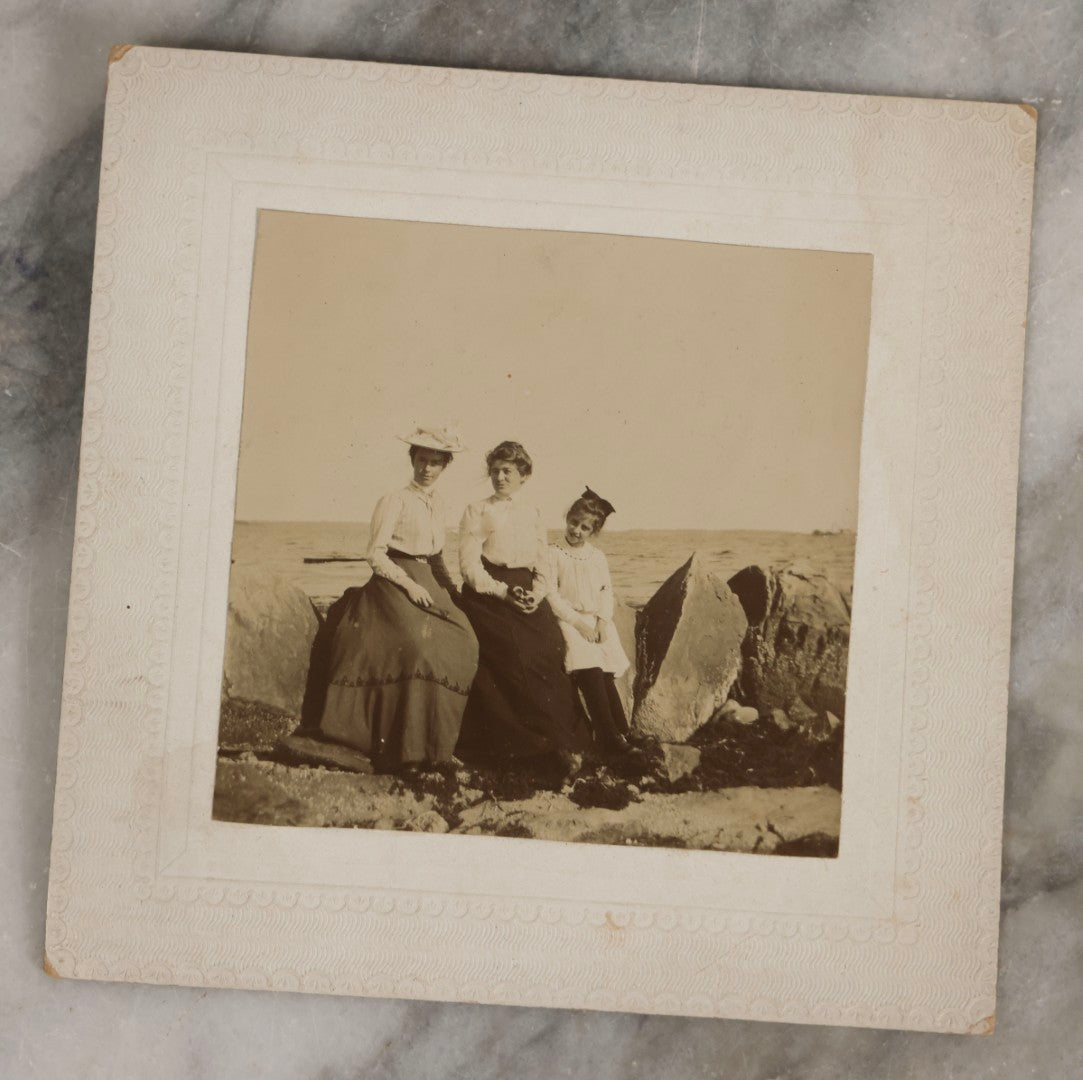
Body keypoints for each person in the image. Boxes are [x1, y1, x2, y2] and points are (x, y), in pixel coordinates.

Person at [315, 426, 479, 773]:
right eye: (422, 459)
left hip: (428, 579)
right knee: (417, 648)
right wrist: (408, 585)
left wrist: (452, 593)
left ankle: (438, 746)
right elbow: (375, 554)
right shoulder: (395, 500)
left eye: (436, 462)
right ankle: (405, 752)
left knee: (465, 640)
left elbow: (436, 556)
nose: (427, 468)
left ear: (445, 466)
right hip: (392, 581)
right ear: (412, 459)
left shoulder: (439, 503)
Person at [455, 440, 590, 766]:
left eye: (508, 471)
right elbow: (469, 566)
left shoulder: (532, 512)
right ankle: (537, 745)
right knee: (519, 653)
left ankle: (565, 737)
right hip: (488, 594)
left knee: (551, 646)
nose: (500, 477)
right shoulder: (478, 510)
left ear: (523, 475)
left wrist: (539, 593)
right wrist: (502, 592)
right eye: (495, 471)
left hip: (526, 590)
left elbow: (542, 560)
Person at [547, 488, 633, 756]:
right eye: (574, 523)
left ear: (593, 532)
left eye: (585, 527)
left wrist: (602, 621)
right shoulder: (553, 553)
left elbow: (607, 591)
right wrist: (578, 623)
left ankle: (622, 732)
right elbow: (550, 593)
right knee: (590, 667)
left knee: (606, 668)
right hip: (568, 620)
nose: (577, 531)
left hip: (595, 621)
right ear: (567, 519)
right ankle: (607, 736)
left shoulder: (597, 557)